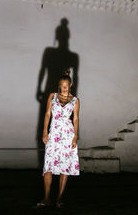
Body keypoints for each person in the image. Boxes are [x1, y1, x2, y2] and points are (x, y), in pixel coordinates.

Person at [34, 69, 80, 209]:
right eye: (61, 85)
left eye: (66, 86)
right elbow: (47, 114)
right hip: (53, 133)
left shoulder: (75, 100)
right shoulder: (52, 96)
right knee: (48, 165)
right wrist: (44, 132)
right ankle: (47, 197)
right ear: (59, 85)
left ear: (70, 85)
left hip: (67, 134)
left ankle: (59, 197)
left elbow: (76, 119)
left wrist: (75, 136)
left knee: (64, 166)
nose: (64, 88)